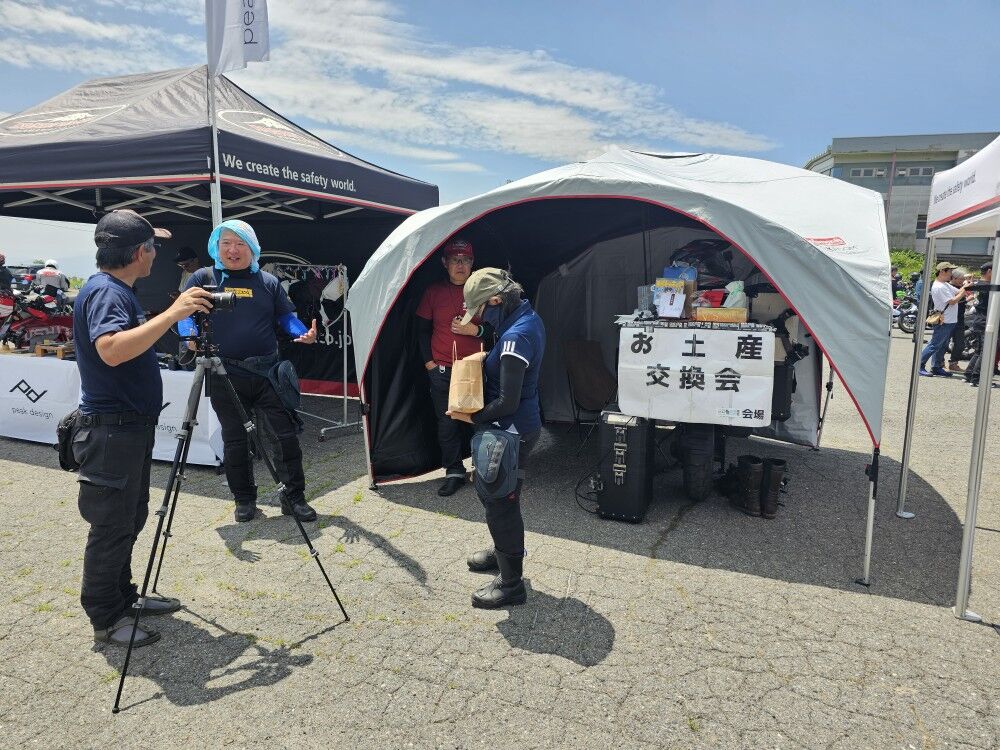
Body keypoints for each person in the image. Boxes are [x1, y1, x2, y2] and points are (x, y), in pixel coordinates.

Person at [73, 209, 213, 647]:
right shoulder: (107, 292)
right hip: (112, 431)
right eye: (153, 247)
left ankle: (124, 598)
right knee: (112, 525)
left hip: (126, 429)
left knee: (129, 518)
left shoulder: (115, 289)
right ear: (139, 252)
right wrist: (173, 314)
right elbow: (111, 350)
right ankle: (106, 618)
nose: (156, 255)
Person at [179, 220, 319, 523]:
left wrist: (303, 332)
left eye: (240, 243)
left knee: (284, 437)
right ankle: (244, 500)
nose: (233, 250)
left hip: (267, 373)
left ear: (252, 248)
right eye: (226, 243)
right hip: (224, 374)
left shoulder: (267, 282)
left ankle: (293, 498)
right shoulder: (203, 278)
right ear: (216, 246)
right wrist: (189, 335)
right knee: (235, 441)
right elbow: (183, 314)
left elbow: (286, 317)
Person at [448, 267, 545, 609]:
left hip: (510, 431)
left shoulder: (517, 336)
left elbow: (507, 402)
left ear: (495, 301)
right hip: (512, 428)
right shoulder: (524, 317)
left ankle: (511, 584)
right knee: (496, 496)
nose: (479, 318)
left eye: (480, 310)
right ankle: (504, 550)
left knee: (501, 504)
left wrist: (470, 416)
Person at [416, 239, 482, 497]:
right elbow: (421, 331)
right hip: (442, 369)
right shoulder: (433, 292)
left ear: (472, 263)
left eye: (465, 260)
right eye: (455, 259)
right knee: (447, 424)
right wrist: (430, 365)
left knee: (480, 420)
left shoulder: (483, 290)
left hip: (475, 368)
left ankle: (483, 471)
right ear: (445, 263)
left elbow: (498, 328)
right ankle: (454, 472)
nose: (460, 265)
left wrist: (476, 330)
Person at [920, 261, 971, 377]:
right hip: (944, 320)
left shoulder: (945, 284)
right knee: (934, 345)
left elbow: (958, 292)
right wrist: (965, 288)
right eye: (950, 271)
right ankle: (920, 365)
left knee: (941, 345)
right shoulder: (939, 286)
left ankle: (936, 367)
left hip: (949, 320)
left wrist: (965, 286)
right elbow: (953, 301)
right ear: (942, 271)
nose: (951, 274)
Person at [965, 262, 996, 387]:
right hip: (985, 321)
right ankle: (977, 378)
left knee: (979, 350)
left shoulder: (978, 284)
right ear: (989, 271)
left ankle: (969, 374)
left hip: (979, 319)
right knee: (986, 351)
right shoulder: (988, 286)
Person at [946, 268, 970, 372]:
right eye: (961, 279)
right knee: (944, 342)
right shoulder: (948, 287)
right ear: (954, 278)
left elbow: (962, 301)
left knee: (960, 342)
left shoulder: (961, 287)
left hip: (959, 318)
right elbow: (951, 302)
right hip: (948, 318)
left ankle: (953, 363)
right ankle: (939, 363)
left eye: (963, 279)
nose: (962, 281)